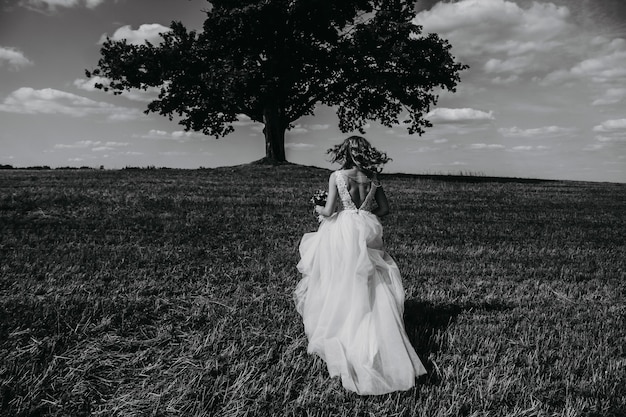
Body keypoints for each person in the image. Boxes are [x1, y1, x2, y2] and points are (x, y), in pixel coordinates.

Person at [294, 135, 427, 395]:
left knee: (339, 278)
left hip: (343, 231)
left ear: (344, 152)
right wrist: (364, 214)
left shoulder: (337, 176)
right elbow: (385, 209)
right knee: (369, 279)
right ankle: (374, 330)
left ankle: (342, 327)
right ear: (366, 152)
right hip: (368, 229)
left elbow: (331, 210)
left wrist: (318, 208)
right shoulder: (374, 178)